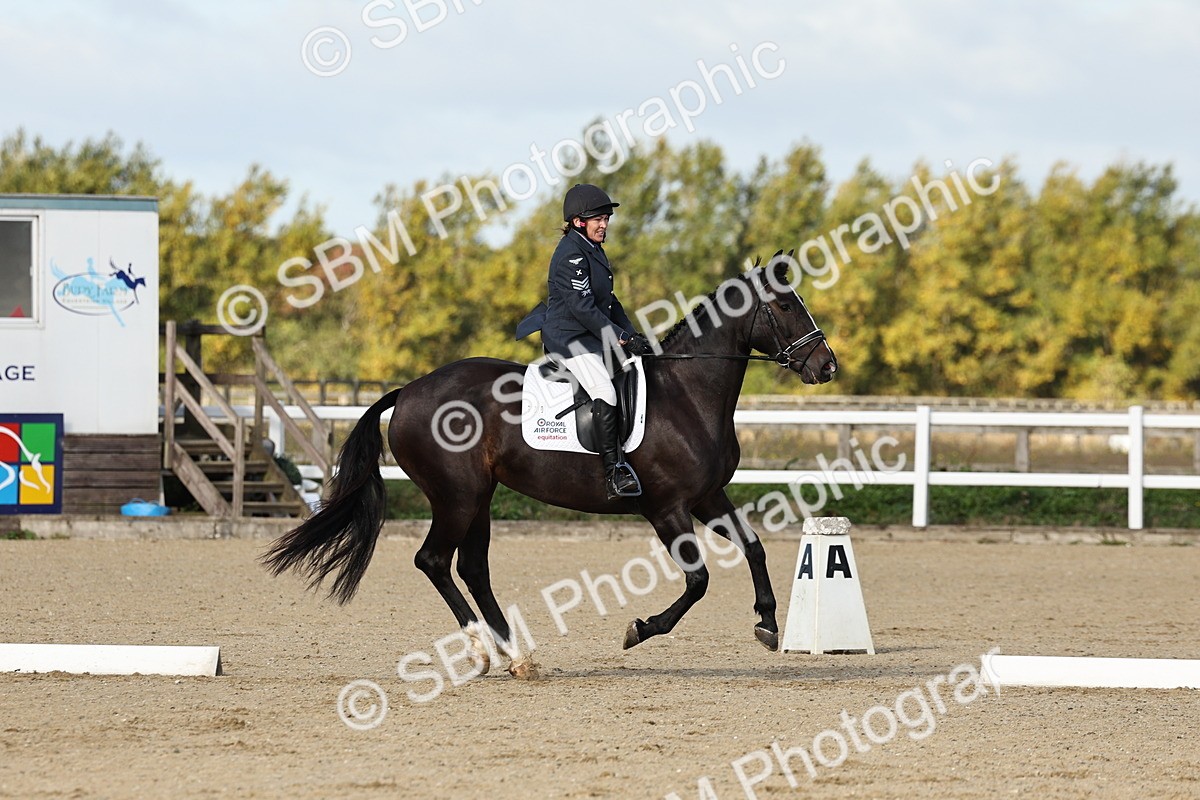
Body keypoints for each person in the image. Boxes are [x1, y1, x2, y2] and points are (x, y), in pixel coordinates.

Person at [515, 183, 652, 499]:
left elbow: (610, 302)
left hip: (590, 334)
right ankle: (613, 472)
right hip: (569, 338)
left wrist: (632, 335)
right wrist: (619, 337)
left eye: (606, 219)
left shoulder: (593, 249)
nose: (605, 225)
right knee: (604, 389)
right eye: (599, 219)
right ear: (579, 221)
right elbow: (583, 307)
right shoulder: (571, 255)